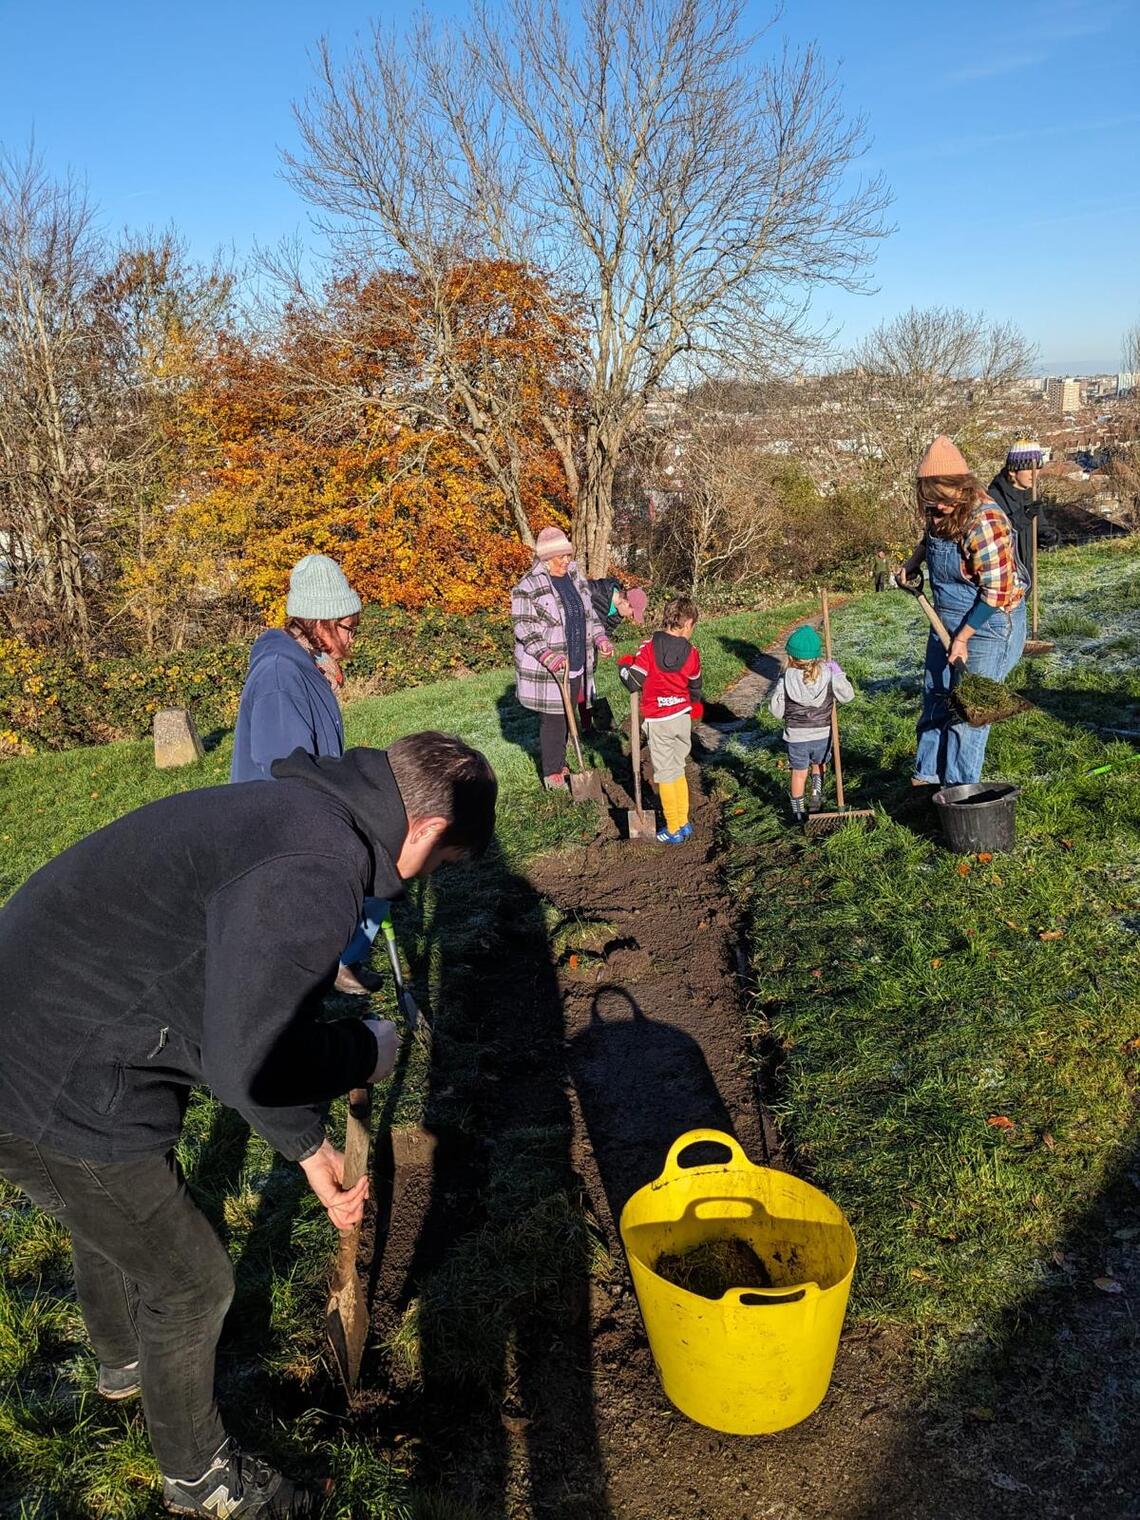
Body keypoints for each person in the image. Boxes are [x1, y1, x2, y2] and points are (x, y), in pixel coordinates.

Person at [0, 733, 496, 1518]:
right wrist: (360, 1053)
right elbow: (244, 1063)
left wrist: (306, 1148)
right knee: (192, 1281)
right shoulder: (313, 866)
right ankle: (201, 1482)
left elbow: (235, 1023)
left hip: (64, 1027)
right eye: (442, 865)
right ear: (429, 831)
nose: (427, 881)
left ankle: (126, 1367)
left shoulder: (300, 814)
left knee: (115, 1214)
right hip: (47, 1076)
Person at [230, 553, 381, 996]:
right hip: (281, 823)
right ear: (321, 624)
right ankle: (315, 969)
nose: (354, 639)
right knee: (369, 871)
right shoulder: (280, 677)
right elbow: (286, 771)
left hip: (310, 808)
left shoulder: (302, 664)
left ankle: (337, 961)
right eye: (348, 627)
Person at [897, 435, 1028, 788]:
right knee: (935, 695)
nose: (935, 509)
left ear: (961, 487)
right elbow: (930, 540)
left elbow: (997, 591)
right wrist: (912, 563)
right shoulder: (939, 510)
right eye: (929, 501)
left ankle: (959, 791)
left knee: (967, 712)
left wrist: (964, 638)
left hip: (989, 625)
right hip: (945, 618)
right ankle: (927, 780)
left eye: (940, 500)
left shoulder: (985, 521)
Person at [511, 526, 614, 789]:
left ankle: (561, 761)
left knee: (569, 716)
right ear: (546, 558)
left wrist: (600, 638)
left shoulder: (575, 577)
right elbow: (525, 627)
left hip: (577, 660)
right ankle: (552, 773)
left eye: (568, 555)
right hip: (549, 667)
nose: (567, 561)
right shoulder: (527, 587)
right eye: (561, 557)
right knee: (554, 719)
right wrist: (548, 655)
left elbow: (589, 615)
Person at [618, 595, 703, 844]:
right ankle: (683, 821)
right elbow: (696, 684)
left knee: (666, 774)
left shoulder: (648, 647)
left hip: (659, 719)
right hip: (681, 718)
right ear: (687, 623)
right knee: (678, 769)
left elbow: (633, 681)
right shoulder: (693, 653)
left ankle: (674, 827)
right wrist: (695, 705)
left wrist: (623, 666)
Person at [768, 624, 855, 823]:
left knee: (799, 773)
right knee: (819, 764)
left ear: (790, 656)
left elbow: (776, 711)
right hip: (823, 734)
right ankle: (816, 798)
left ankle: (798, 812)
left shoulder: (785, 679)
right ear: (816, 655)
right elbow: (848, 696)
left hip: (796, 737)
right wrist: (838, 673)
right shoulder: (828, 674)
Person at [987, 438, 1060, 582]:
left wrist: (1050, 536)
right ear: (1013, 471)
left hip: (1026, 576)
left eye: (1038, 468)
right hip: (1003, 578)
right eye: (1028, 468)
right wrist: (1024, 517)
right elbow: (995, 535)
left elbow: (1039, 527)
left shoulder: (1030, 494)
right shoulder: (993, 497)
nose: (1035, 474)